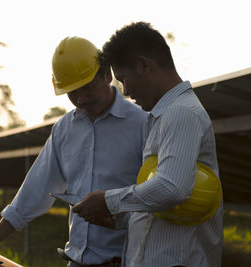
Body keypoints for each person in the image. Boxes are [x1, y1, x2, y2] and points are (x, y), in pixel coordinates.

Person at [0, 36, 147, 266]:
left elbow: (159, 197)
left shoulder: (143, 124)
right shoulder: (65, 129)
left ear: (106, 74)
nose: (81, 98)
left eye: (87, 87)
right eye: (72, 92)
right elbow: (36, 187)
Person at [72, 22, 223, 267]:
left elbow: (171, 189)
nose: (125, 91)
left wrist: (108, 201)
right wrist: (122, 217)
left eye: (122, 79)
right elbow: (169, 200)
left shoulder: (181, 113)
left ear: (144, 65)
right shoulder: (160, 116)